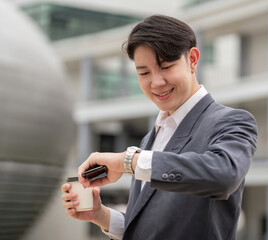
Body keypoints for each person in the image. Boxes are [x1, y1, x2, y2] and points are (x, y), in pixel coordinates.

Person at [61, 14, 257, 240]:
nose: (156, 82)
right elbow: (155, 229)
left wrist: (128, 161)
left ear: (192, 59)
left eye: (166, 67)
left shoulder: (231, 121)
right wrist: (101, 215)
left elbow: (224, 175)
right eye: (144, 73)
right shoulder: (150, 139)